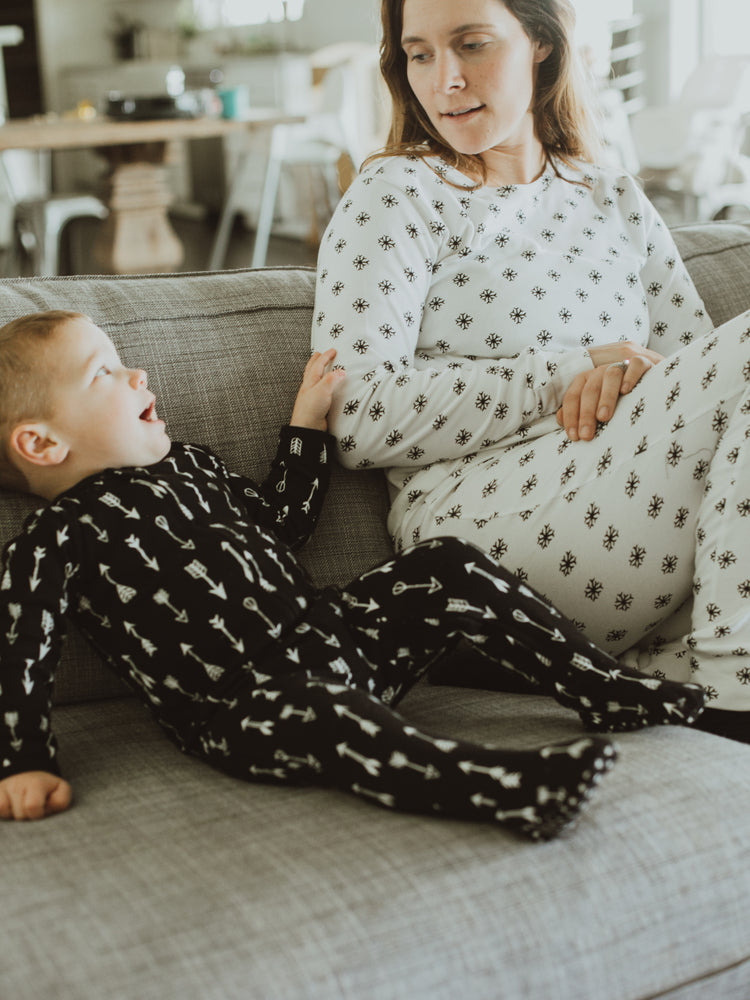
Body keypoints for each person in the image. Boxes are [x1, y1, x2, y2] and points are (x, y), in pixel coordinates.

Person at [0, 311, 706, 839]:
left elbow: (281, 523)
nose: (137, 374)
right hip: (246, 707)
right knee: (326, 711)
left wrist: (305, 425)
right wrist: (24, 760)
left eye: (123, 361)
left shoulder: (190, 464)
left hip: (335, 634)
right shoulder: (55, 541)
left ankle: (602, 688)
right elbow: (18, 653)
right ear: (40, 442)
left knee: (445, 564)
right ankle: (503, 787)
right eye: (104, 373)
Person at [310, 0, 750, 742]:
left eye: (472, 44)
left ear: (541, 43)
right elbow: (354, 414)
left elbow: (703, 385)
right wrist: (568, 371)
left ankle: (681, 668)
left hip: (635, 492)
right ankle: (734, 704)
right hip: (480, 530)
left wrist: (628, 379)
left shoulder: (613, 198)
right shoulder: (396, 192)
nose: (445, 79)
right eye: (420, 54)